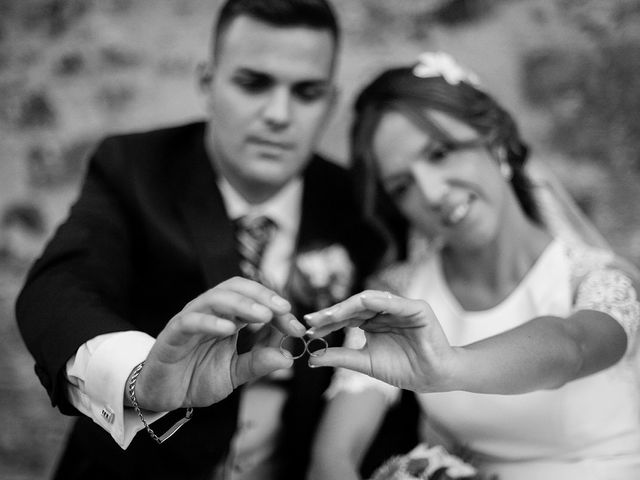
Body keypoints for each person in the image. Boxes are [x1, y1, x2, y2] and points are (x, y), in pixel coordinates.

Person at [15, 1, 395, 478]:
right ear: (207, 82)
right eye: (253, 83)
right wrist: (140, 378)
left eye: (307, 92)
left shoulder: (357, 206)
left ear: (331, 102)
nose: (279, 114)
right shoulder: (135, 168)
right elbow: (60, 287)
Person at [304, 52, 640, 480]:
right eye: (402, 186)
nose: (430, 192)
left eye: (440, 153)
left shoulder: (597, 279)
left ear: (495, 140)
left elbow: (571, 347)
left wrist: (450, 365)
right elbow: (332, 457)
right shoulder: (401, 294)